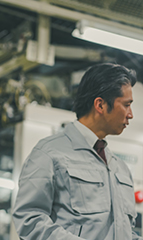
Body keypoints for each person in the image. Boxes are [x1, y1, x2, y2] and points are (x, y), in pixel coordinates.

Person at [12, 63, 142, 239]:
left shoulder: (120, 168)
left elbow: (124, 232)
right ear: (100, 105)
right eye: (126, 105)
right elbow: (29, 220)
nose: (131, 114)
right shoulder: (49, 154)